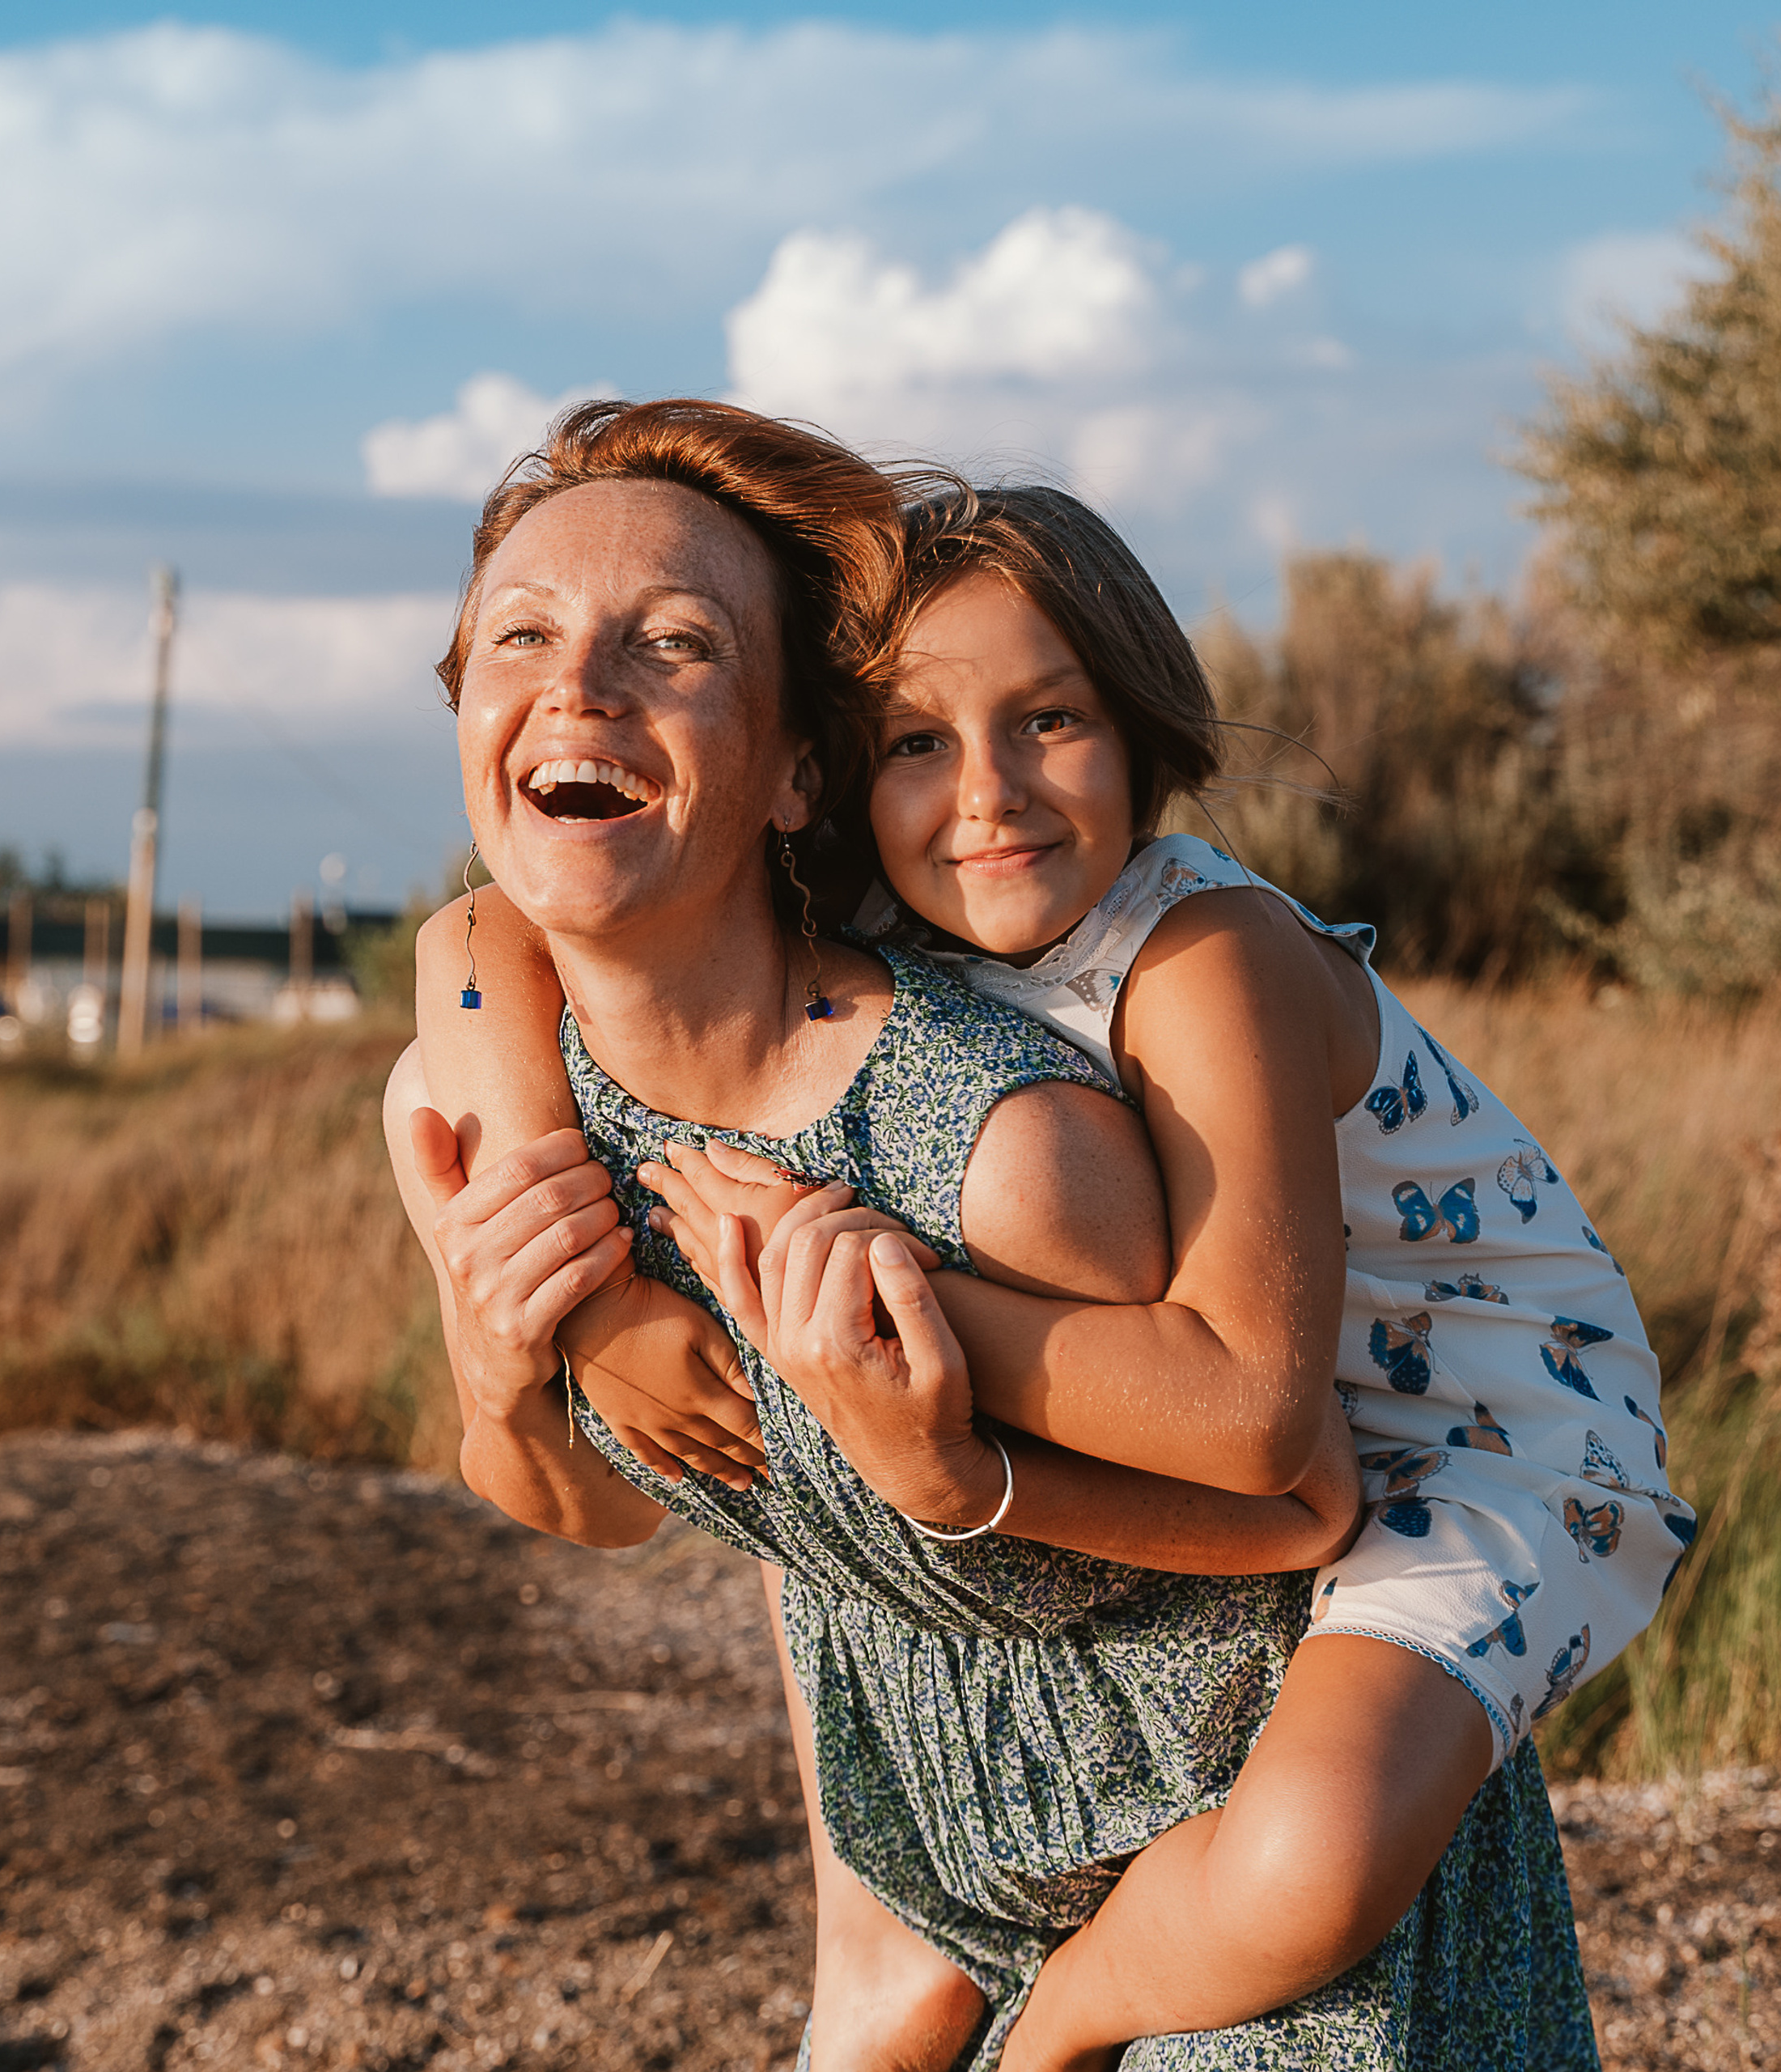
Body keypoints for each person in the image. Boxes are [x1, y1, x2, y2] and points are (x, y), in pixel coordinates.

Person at [392, 399, 1602, 2070]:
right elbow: (645, 1501)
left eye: (670, 642)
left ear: (782, 766)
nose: (580, 686)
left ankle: (1066, 2021)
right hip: (941, 1859)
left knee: (1309, 1854)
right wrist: (519, 1358)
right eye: (520, 634)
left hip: (1397, 1574)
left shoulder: (1036, 1102)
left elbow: (1292, 1465)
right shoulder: (482, 1086)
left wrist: (920, 1378)